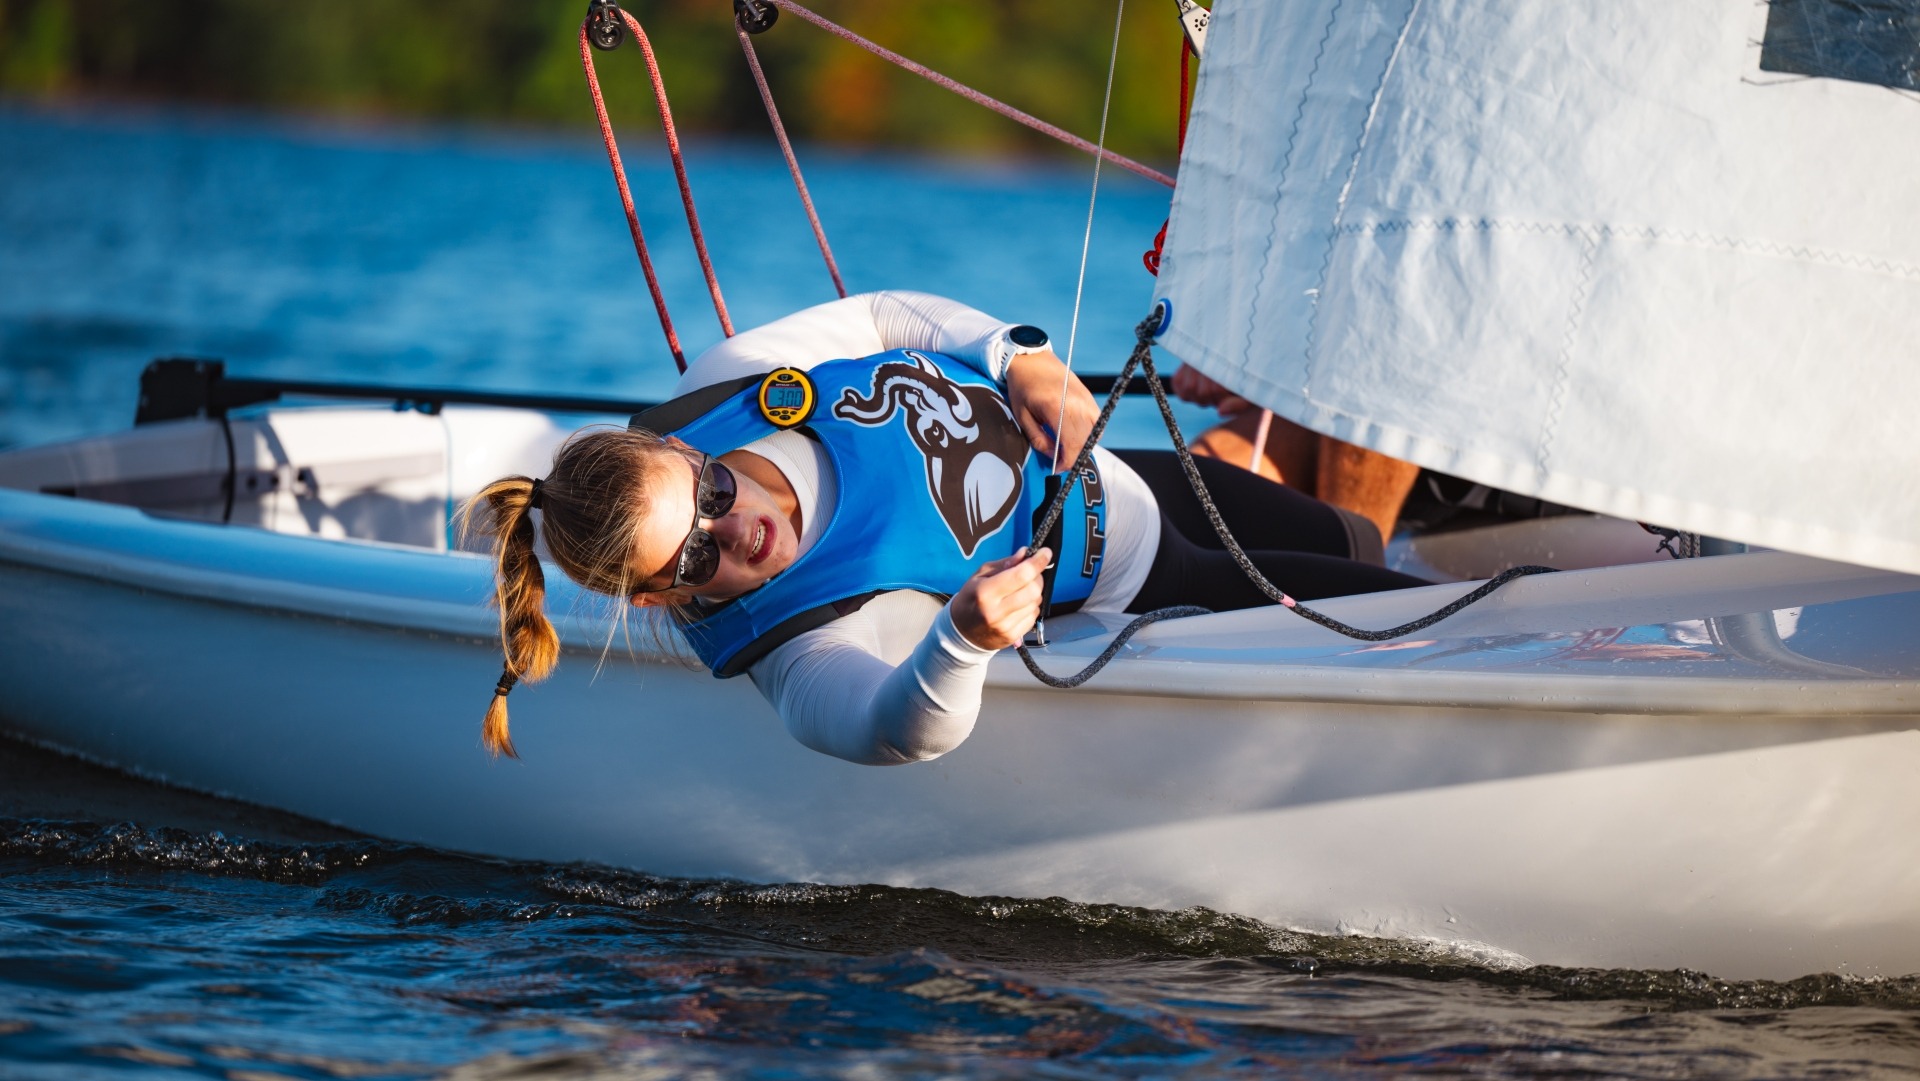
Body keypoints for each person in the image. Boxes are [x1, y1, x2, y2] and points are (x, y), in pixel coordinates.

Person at [466, 292, 1426, 765]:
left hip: (1147, 477)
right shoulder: (792, 649)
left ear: (685, 454)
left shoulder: (729, 384)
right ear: (655, 595)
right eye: (696, 556)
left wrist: (1022, 361)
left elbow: (892, 316)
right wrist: (961, 641)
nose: (742, 528)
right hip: (1151, 580)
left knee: (1359, 542)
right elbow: (893, 730)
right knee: (1432, 618)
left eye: (713, 492)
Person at [1170, 366, 1422, 544]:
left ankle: (1347, 594)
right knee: (1208, 480)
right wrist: (1235, 353)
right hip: (1335, 385)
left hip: (1418, 400)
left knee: (1369, 393)